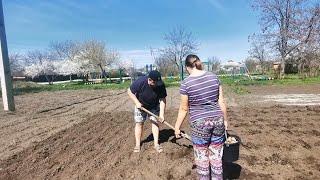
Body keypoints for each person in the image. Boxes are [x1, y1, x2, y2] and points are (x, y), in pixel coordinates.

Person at [174, 54, 228, 180]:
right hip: (218, 120)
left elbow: (184, 108)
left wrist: (177, 127)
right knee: (216, 158)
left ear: (187, 67)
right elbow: (221, 102)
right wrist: (225, 120)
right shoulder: (214, 77)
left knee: (202, 159)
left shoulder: (186, 83)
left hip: (199, 124)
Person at [128, 70, 167, 153]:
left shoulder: (160, 85)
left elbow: (163, 99)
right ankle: (138, 144)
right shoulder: (140, 81)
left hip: (154, 106)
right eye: (155, 83)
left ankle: (156, 144)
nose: (157, 85)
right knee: (139, 123)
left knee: (155, 122)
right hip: (141, 106)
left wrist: (162, 115)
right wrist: (137, 102)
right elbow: (129, 91)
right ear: (149, 80)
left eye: (158, 82)